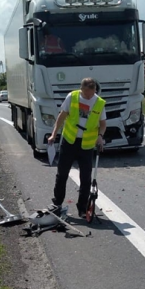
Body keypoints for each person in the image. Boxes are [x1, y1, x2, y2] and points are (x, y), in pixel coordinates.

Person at [48, 77, 107, 217]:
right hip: (69, 141)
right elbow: (62, 116)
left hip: (86, 145)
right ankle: (57, 203)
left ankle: (82, 208)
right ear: (82, 90)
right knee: (62, 174)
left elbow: (103, 123)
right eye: (86, 94)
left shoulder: (99, 102)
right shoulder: (72, 97)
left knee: (86, 178)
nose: (89, 97)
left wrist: (100, 136)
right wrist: (54, 134)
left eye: (92, 94)